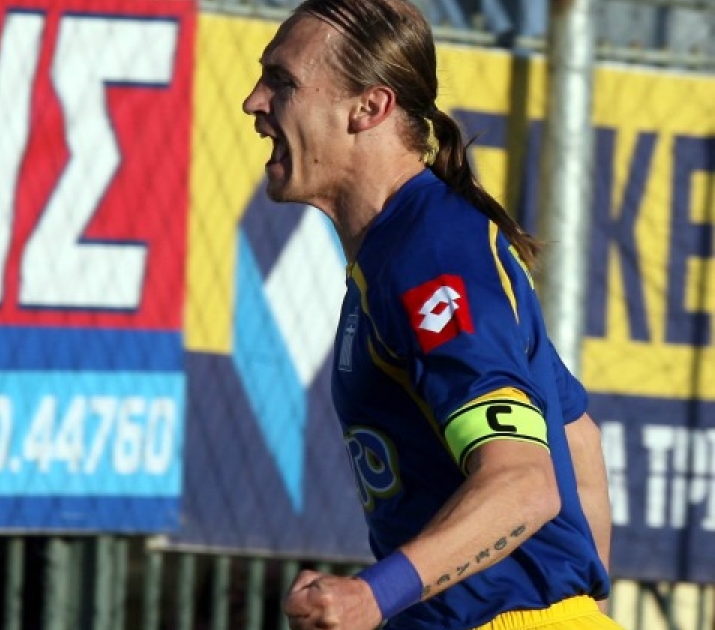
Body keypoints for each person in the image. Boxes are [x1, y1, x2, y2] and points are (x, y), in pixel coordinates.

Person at [240, 1, 620, 629]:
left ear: (369, 107)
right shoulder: (407, 246)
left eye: (282, 81)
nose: (254, 101)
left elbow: (525, 481)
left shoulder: (431, 256)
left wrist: (370, 597)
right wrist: (580, 613)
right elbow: (577, 438)